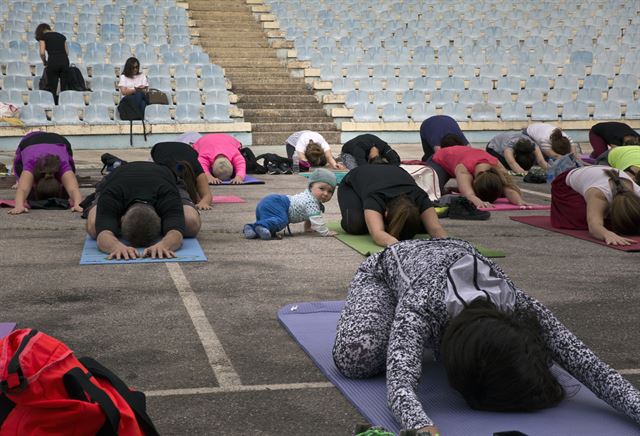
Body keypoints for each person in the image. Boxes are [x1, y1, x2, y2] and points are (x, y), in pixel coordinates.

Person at [333, 238, 640, 434]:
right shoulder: (422, 302)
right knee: (357, 357)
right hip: (388, 269)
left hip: (457, 250)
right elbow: (400, 383)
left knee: (532, 356)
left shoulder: (522, 305)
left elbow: (593, 368)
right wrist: (421, 426)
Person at [85, 162, 187, 260]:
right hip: (116, 178)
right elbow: (102, 234)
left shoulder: (167, 194)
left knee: (191, 223)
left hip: (164, 176)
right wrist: (116, 247)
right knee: (94, 228)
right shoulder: (112, 194)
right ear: (120, 219)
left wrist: (164, 245)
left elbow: (176, 232)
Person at [337, 164, 447, 247]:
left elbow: (436, 229)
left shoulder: (420, 197)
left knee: (422, 227)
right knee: (356, 225)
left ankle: (396, 223)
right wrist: (399, 247)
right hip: (353, 182)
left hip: (392, 173)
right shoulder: (376, 197)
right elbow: (377, 233)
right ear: (385, 213)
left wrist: (450, 244)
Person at [550, 165, 640, 245]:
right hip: (565, 185)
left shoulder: (637, 191)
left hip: (595, 177)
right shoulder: (598, 194)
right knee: (583, 217)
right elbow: (594, 227)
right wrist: (606, 234)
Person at [243, 169, 338, 240]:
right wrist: (325, 232)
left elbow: (309, 216)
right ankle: (262, 226)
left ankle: (251, 228)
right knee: (281, 220)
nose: (325, 193)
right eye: (322, 189)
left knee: (270, 219)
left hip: (272, 201)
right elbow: (316, 219)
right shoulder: (311, 202)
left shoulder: (310, 198)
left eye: (330, 191)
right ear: (310, 186)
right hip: (278, 203)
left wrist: (307, 228)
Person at [8, 132, 82, 215]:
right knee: (22, 175)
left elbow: (73, 189)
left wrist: (78, 204)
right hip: (31, 141)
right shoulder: (31, 163)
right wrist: (19, 205)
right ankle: (23, 181)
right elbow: (23, 189)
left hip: (58, 140)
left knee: (69, 181)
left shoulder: (61, 163)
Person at [431, 145, 528, 208]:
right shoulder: (464, 169)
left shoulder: (497, 165)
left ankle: (453, 188)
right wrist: (476, 200)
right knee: (432, 193)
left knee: (498, 191)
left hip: (461, 157)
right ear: (474, 182)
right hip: (440, 159)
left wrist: (519, 201)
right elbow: (469, 195)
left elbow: (508, 187)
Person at [151, 141, 212, 232]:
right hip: (159, 148)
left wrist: (204, 202)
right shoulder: (162, 170)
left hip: (188, 149)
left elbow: (207, 194)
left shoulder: (198, 171)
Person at [35, 23, 69, 105]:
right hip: (64, 61)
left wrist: (45, 62)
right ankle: (64, 105)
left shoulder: (42, 37)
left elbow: (42, 53)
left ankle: (53, 106)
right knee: (64, 87)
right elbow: (67, 52)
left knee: (52, 87)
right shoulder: (62, 36)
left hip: (53, 61)